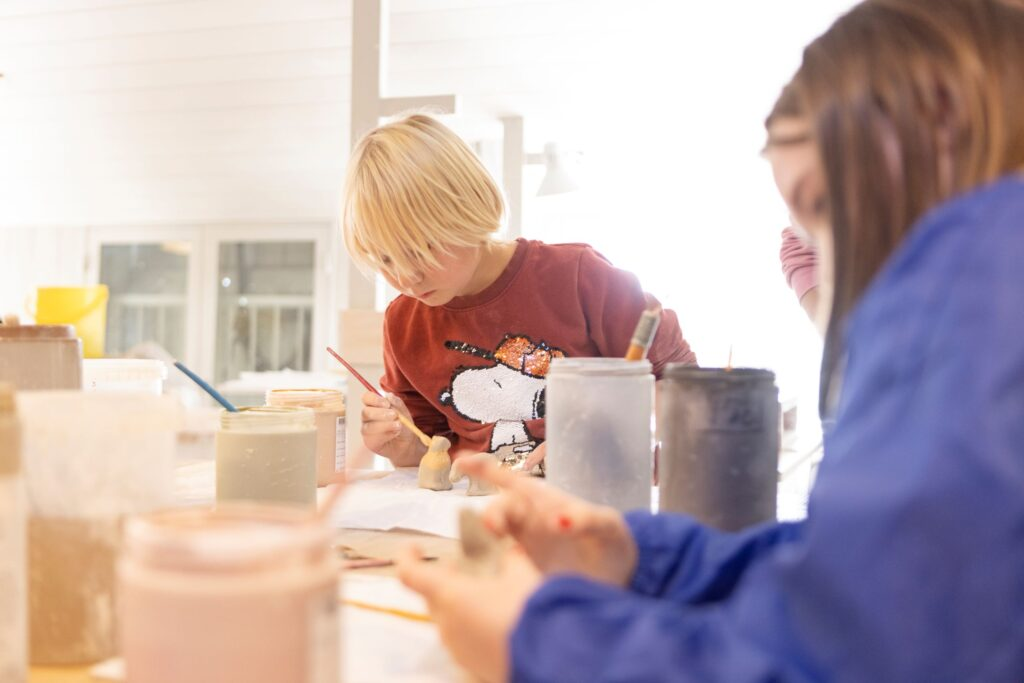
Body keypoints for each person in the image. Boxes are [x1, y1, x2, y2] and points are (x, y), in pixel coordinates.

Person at [397, 1, 1024, 681]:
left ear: (934, 143)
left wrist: (540, 642)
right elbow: (857, 575)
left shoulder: (983, 296)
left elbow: (862, 655)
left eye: (821, 208)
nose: (819, 264)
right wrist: (647, 556)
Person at [342, 114, 697, 469]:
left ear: (467, 208)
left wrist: (597, 438)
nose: (406, 278)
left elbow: (684, 385)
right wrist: (402, 445)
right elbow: (432, 449)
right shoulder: (404, 323)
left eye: (421, 249)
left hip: (596, 500)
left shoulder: (577, 277)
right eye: (385, 259)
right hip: (478, 513)